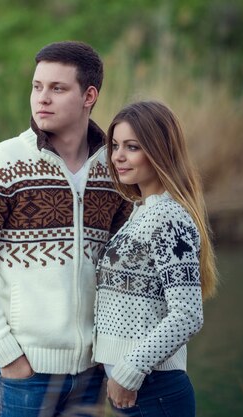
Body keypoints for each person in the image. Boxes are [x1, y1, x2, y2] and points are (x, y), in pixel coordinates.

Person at [0, 40, 131, 416]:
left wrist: (114, 355)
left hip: (91, 372)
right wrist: (7, 354)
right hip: (25, 375)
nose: (42, 98)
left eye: (57, 88)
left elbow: (122, 270)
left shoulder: (114, 171)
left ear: (89, 95)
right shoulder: (1, 164)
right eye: (37, 87)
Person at [92, 100, 219, 417]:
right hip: (138, 390)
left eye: (132, 147)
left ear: (160, 151)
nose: (118, 156)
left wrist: (130, 370)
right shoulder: (141, 212)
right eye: (115, 146)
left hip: (154, 391)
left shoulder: (169, 219)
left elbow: (188, 315)